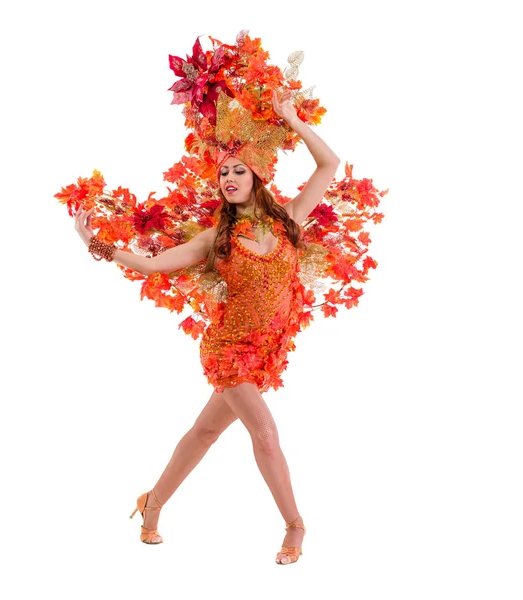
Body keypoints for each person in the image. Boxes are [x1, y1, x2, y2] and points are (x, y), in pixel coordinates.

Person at [74, 87, 341, 565]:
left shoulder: (288, 222)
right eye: (223, 173)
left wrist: (292, 119)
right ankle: (295, 525)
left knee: (203, 434)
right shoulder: (214, 238)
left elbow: (329, 165)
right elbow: (154, 266)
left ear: (257, 174)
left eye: (239, 170)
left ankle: (151, 504)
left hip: (265, 351)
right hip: (227, 348)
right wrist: (95, 244)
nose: (229, 178)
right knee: (265, 432)